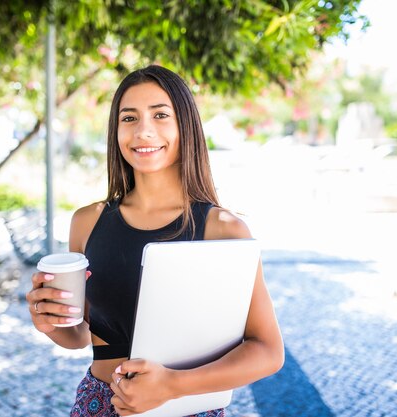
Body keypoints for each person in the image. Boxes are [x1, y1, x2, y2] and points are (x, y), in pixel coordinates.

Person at [26, 65, 284, 417]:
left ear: (185, 126)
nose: (143, 131)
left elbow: (268, 350)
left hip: (186, 409)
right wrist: (49, 322)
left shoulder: (224, 230)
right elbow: (82, 335)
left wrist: (171, 385)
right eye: (129, 118)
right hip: (99, 405)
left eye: (161, 115)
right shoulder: (87, 222)